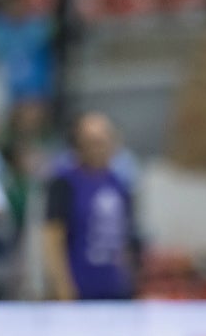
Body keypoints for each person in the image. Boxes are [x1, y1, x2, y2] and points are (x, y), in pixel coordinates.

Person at [43, 112, 139, 300]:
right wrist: (62, 286)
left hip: (114, 289)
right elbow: (53, 236)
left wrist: (129, 280)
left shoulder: (119, 184)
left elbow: (124, 237)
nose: (99, 148)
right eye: (92, 142)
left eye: (103, 141)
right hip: (79, 289)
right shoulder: (65, 183)